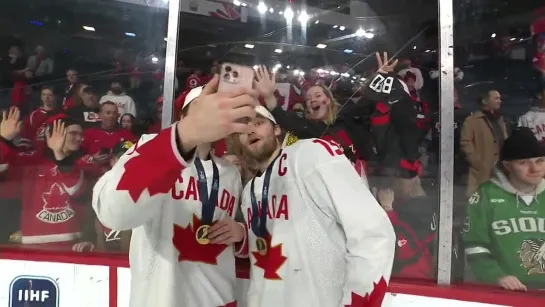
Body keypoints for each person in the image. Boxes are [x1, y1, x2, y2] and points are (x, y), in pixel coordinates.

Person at [92, 75, 259, 307]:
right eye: (202, 109)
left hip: (219, 298)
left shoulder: (230, 172)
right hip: (162, 299)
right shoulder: (152, 148)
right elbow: (113, 212)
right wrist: (184, 138)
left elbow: (254, 232)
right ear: (183, 118)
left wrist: (241, 232)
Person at [232, 80, 396, 305]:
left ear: (277, 128)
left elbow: (373, 233)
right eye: (244, 127)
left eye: (259, 123)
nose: (250, 130)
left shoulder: (310, 154)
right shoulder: (249, 192)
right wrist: (242, 238)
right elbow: (268, 248)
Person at [464, 127, 545, 291]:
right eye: (523, 163)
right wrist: (496, 275)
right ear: (507, 166)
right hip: (504, 292)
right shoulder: (485, 195)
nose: (534, 169)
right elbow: (473, 244)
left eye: (540, 161)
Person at [460, 89, 508, 196]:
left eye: (499, 98)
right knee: (480, 199)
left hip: (500, 169)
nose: (499, 101)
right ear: (485, 101)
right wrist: (477, 162)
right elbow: (465, 142)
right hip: (483, 170)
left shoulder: (499, 120)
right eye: (496, 98)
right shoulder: (472, 120)